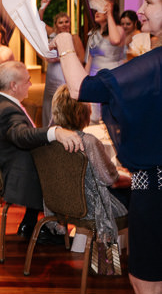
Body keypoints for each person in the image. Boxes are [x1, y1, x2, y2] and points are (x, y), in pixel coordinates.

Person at [50, 0, 162, 294]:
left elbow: (82, 88)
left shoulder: (156, 64)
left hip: (155, 189)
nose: (140, 10)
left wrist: (64, 42)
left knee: (147, 283)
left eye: (149, 2)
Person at [0, 61, 83, 243]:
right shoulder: (8, 111)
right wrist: (55, 132)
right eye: (27, 81)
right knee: (66, 169)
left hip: (2, 167)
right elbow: (21, 135)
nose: (31, 84)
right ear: (13, 85)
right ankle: (55, 228)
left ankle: (30, 223)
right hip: (17, 176)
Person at [50, 85, 128, 246]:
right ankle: (113, 256)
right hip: (89, 208)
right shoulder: (89, 142)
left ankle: (87, 249)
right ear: (84, 112)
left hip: (62, 203)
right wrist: (134, 179)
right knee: (138, 193)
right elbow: (112, 181)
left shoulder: (50, 140)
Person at [84, 0, 126, 123]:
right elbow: (90, 58)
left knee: (109, 114)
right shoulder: (94, 32)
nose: (96, 12)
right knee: (93, 115)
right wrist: (85, 81)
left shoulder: (118, 29)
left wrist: (109, 15)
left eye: (100, 10)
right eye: (96, 10)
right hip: (95, 77)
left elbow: (115, 40)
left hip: (112, 76)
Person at [41, 13, 85, 126]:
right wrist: (42, 9)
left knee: (64, 100)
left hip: (65, 73)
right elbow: (39, 23)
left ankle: (65, 125)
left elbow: (81, 58)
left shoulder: (74, 38)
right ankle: (49, 128)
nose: (64, 24)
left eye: (66, 21)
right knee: (49, 101)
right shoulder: (52, 36)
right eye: (61, 22)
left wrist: (61, 57)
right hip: (51, 75)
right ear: (56, 25)